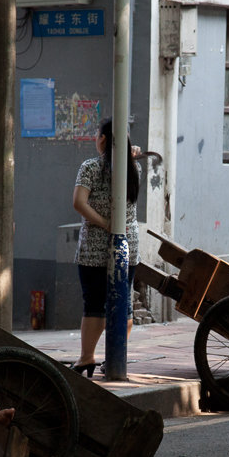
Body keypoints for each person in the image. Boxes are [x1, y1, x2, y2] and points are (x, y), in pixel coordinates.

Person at [70, 118, 142, 376]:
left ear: (102, 139)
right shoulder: (134, 168)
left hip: (95, 248)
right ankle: (116, 355)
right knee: (125, 301)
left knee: (94, 303)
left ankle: (87, 357)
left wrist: (105, 224)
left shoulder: (90, 167)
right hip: (128, 244)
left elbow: (79, 202)